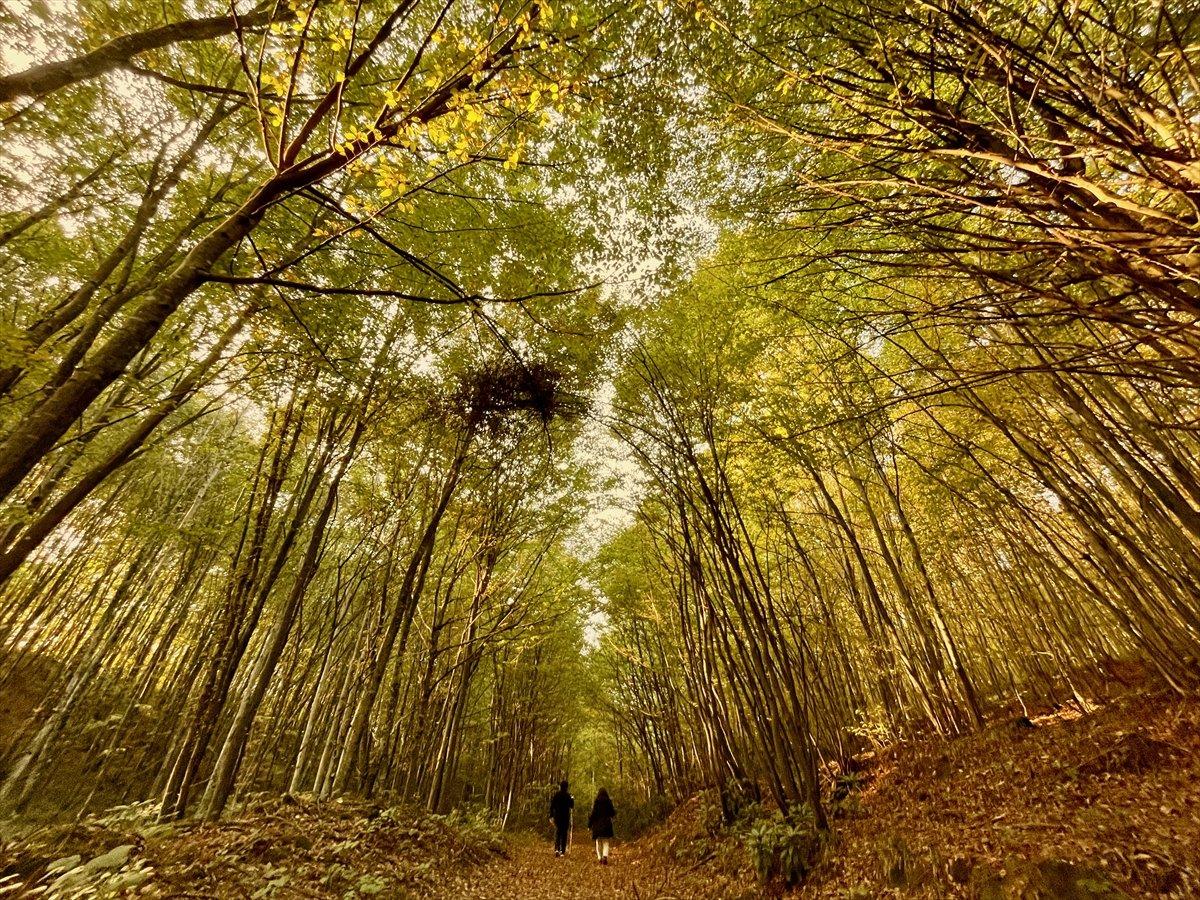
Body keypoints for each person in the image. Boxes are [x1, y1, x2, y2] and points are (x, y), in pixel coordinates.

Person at [587, 787, 616, 864]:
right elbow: (612, 812)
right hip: (606, 824)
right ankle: (605, 856)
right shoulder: (609, 801)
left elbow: (593, 814)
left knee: (598, 842)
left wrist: (589, 825)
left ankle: (600, 858)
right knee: (606, 841)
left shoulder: (597, 801)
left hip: (597, 825)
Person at [549, 780, 574, 857]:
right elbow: (572, 806)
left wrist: (551, 816)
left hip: (558, 817)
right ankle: (562, 851)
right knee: (564, 834)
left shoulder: (556, 795)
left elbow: (552, 806)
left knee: (558, 833)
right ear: (567, 787)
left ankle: (556, 849)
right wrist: (572, 799)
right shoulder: (568, 795)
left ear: (560, 786)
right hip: (565, 817)